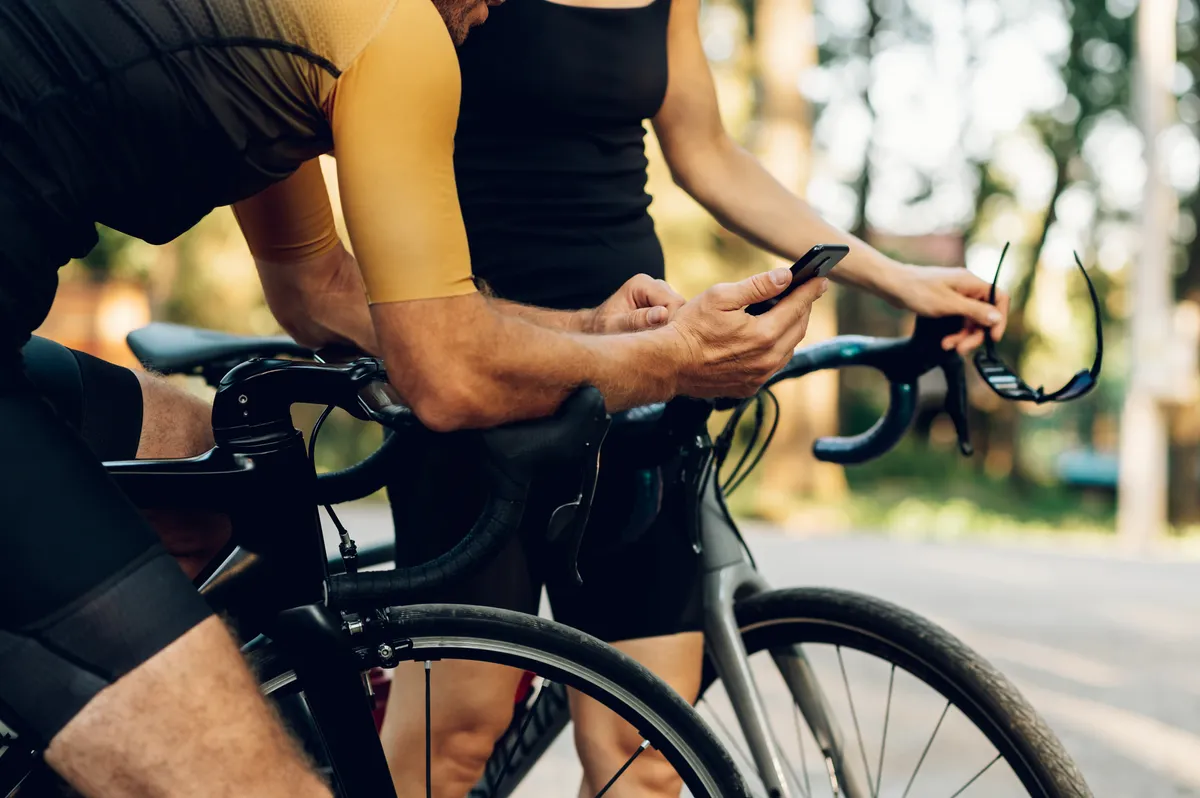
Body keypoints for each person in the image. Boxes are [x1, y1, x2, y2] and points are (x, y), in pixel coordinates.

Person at [0, 0, 839, 794]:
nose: (495, 12)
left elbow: (317, 289)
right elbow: (445, 378)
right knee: (258, 778)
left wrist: (587, 329)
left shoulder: (301, 32)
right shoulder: (397, 34)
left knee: (191, 441)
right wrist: (679, 360)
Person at [377, 1, 1013, 796]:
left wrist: (897, 278)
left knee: (645, 755)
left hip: (645, 371)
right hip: (485, 364)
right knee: (452, 741)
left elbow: (708, 151)